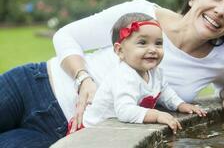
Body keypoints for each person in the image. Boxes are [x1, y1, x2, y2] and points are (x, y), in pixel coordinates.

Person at [52, 0, 224, 132]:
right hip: (40, 85)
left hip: (78, 129)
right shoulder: (141, 13)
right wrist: (83, 79)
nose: (221, 10)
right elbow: (66, 36)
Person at [67, 13, 207, 135]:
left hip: (113, 130)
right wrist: (156, 115)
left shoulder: (155, 72)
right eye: (142, 43)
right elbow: (125, 111)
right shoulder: (124, 76)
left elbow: (165, 92)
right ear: (120, 51)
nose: (153, 49)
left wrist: (180, 105)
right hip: (92, 132)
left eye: (158, 43)